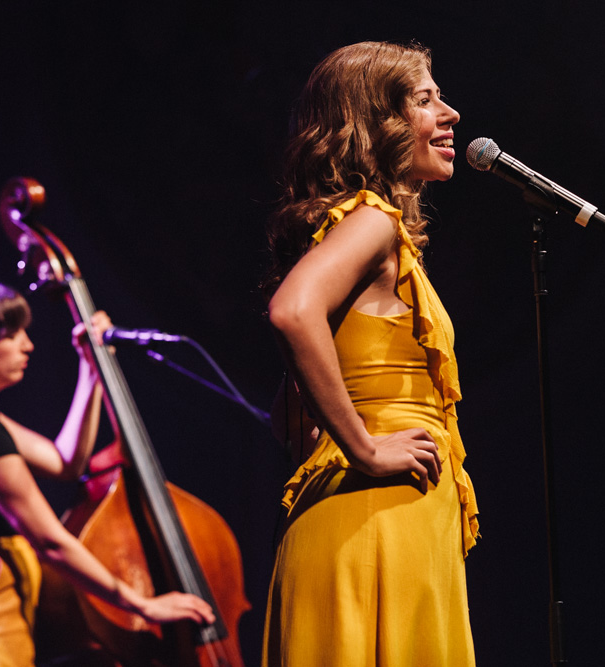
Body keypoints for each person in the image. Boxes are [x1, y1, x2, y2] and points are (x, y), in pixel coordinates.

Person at [261, 41, 480, 665]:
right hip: (378, 514)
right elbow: (291, 310)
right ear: (377, 123)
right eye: (425, 99)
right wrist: (363, 445)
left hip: (352, 517)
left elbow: (286, 417)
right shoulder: (372, 221)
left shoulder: (362, 232)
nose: (451, 114)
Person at [0, 276, 214, 666]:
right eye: (12, 334)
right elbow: (51, 541)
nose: (27, 345)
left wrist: (92, 368)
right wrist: (143, 606)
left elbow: (65, 461)